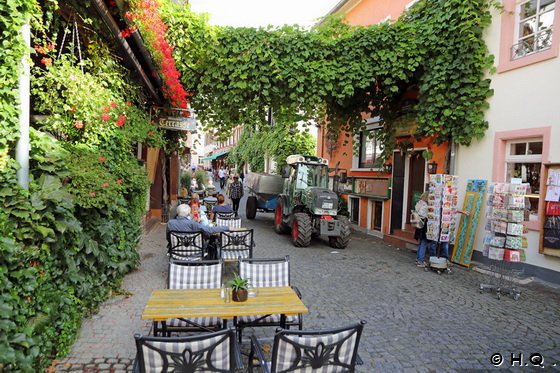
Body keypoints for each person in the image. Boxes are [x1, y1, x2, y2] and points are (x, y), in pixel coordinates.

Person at [414, 192, 435, 267]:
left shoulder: (419, 203)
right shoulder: (425, 206)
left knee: (421, 243)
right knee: (424, 243)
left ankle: (418, 259)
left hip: (419, 225)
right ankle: (420, 260)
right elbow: (428, 215)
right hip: (425, 226)